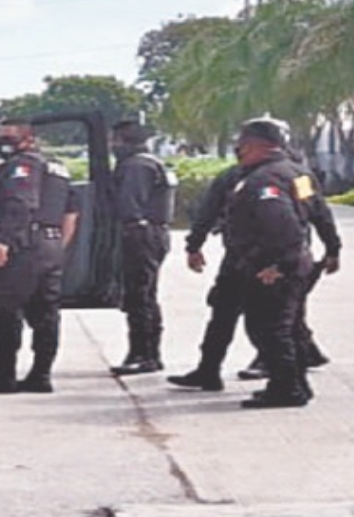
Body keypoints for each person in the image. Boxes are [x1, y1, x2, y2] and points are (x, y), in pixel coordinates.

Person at [0, 119, 78, 394]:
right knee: (46, 313)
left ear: (29, 140)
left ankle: (4, 376)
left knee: (7, 311)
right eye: (1, 138)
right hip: (51, 244)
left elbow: (21, 204)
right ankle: (41, 376)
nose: (3, 144)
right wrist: (56, 245)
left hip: (24, 246)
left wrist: (3, 241)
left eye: (10, 138)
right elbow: (71, 213)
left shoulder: (23, 166)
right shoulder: (58, 168)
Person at [223, 119, 318, 408]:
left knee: (268, 329)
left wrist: (280, 265)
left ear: (256, 146)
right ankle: (296, 383)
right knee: (287, 328)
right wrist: (331, 246)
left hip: (272, 269)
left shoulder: (263, 181)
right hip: (296, 261)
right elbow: (316, 211)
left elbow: (284, 225)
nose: (239, 150)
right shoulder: (298, 173)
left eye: (242, 144)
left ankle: (285, 389)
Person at [165, 162, 248, 391]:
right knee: (225, 313)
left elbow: (209, 211)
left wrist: (194, 245)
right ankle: (208, 370)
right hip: (274, 255)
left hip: (250, 257)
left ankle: (287, 376)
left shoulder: (244, 176)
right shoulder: (296, 174)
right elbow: (312, 209)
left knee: (268, 320)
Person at [108, 120, 176, 376]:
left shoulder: (136, 166)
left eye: (114, 140)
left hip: (140, 234)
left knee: (139, 296)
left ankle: (143, 354)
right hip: (153, 233)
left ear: (124, 141)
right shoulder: (150, 162)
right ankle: (147, 353)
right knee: (144, 295)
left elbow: (130, 205)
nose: (112, 146)